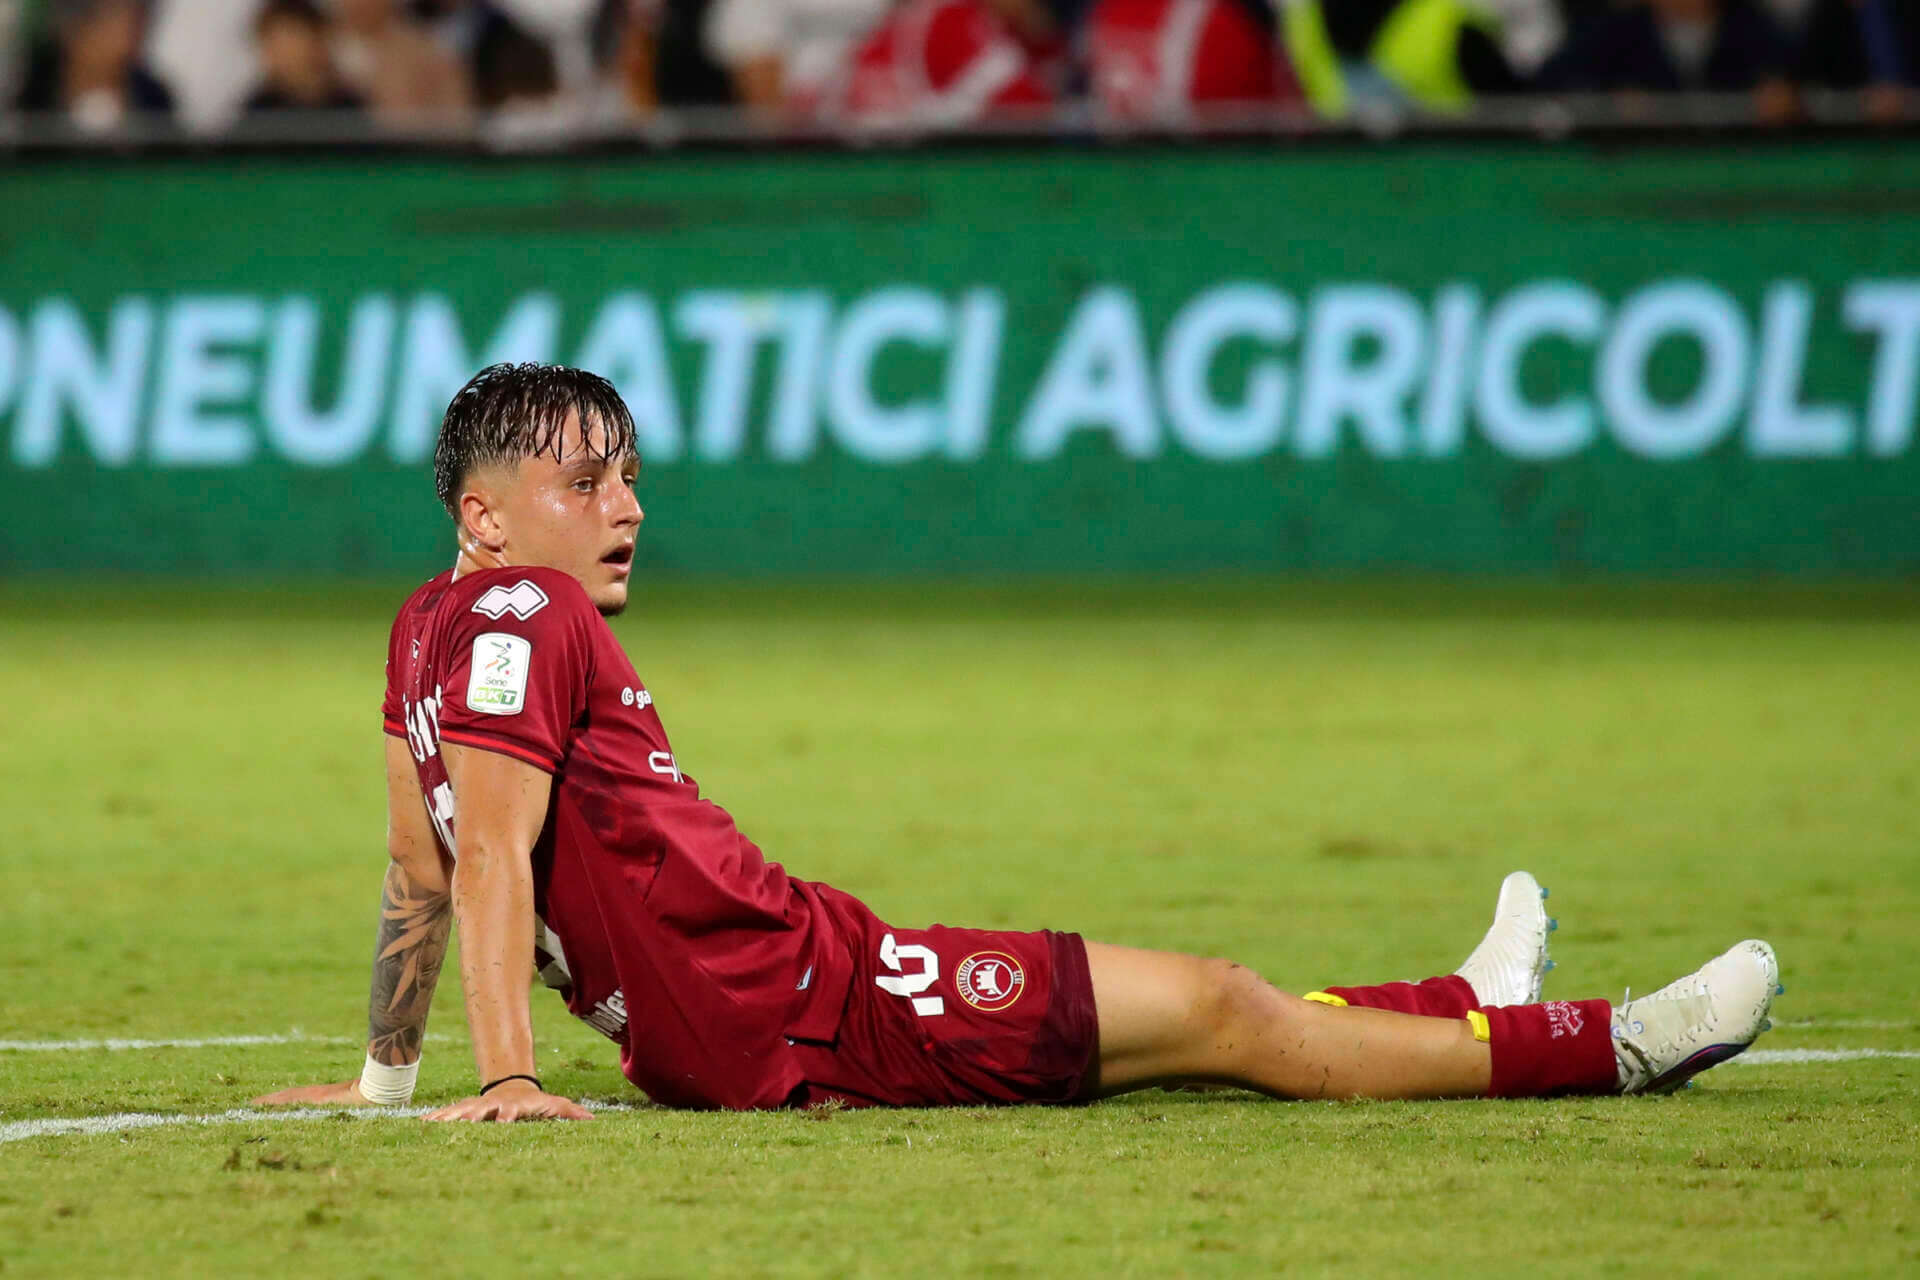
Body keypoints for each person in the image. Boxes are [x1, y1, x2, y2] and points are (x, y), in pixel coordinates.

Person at [256, 362, 1781, 1123]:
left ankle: (1465, 1002)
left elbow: (418, 874)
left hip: (770, 1008)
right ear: (485, 515)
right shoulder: (525, 613)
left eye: (631, 478)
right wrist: (507, 1081)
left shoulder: (421, 629)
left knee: (1196, 1026)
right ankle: (1613, 1045)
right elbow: (488, 860)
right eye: (588, 485)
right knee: (1223, 1010)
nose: (630, 510)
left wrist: (388, 1085)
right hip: (824, 1008)